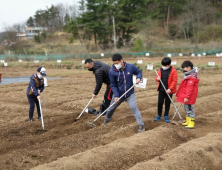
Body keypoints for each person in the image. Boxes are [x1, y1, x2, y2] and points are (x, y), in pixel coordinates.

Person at [102, 53, 145, 133]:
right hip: (118, 94)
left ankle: (141, 125)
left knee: (134, 108)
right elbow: (113, 85)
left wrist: (138, 78)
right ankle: (107, 120)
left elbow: (139, 72)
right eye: (114, 63)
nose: (115, 65)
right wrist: (116, 96)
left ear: (122, 61)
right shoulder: (112, 71)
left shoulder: (130, 67)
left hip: (129, 94)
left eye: (117, 63)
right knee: (111, 108)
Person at [176, 61, 199, 129]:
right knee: (187, 108)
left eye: (184, 68)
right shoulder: (188, 75)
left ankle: (191, 123)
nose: (183, 70)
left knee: (189, 109)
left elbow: (189, 88)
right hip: (187, 95)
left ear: (188, 68)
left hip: (189, 96)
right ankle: (187, 121)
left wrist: (187, 97)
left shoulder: (191, 77)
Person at [154, 57, 178, 123]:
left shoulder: (173, 70)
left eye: (165, 65)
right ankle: (159, 115)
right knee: (160, 103)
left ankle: (166, 115)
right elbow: (156, 78)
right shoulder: (160, 69)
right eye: (163, 65)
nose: (163, 67)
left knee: (167, 103)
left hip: (169, 90)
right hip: (161, 89)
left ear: (169, 64)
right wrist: (157, 79)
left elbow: (174, 80)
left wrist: (170, 89)